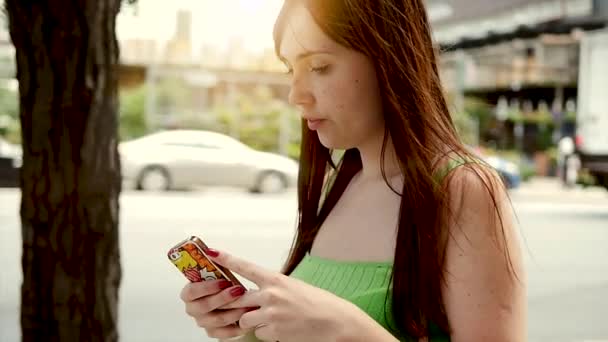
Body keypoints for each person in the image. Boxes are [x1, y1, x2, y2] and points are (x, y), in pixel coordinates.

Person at [179, 1, 527, 341]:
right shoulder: (342, 181)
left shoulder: (462, 189)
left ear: (389, 57)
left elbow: (334, 326)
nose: (296, 95)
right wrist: (256, 323)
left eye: (318, 66)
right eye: (290, 69)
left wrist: (346, 329)